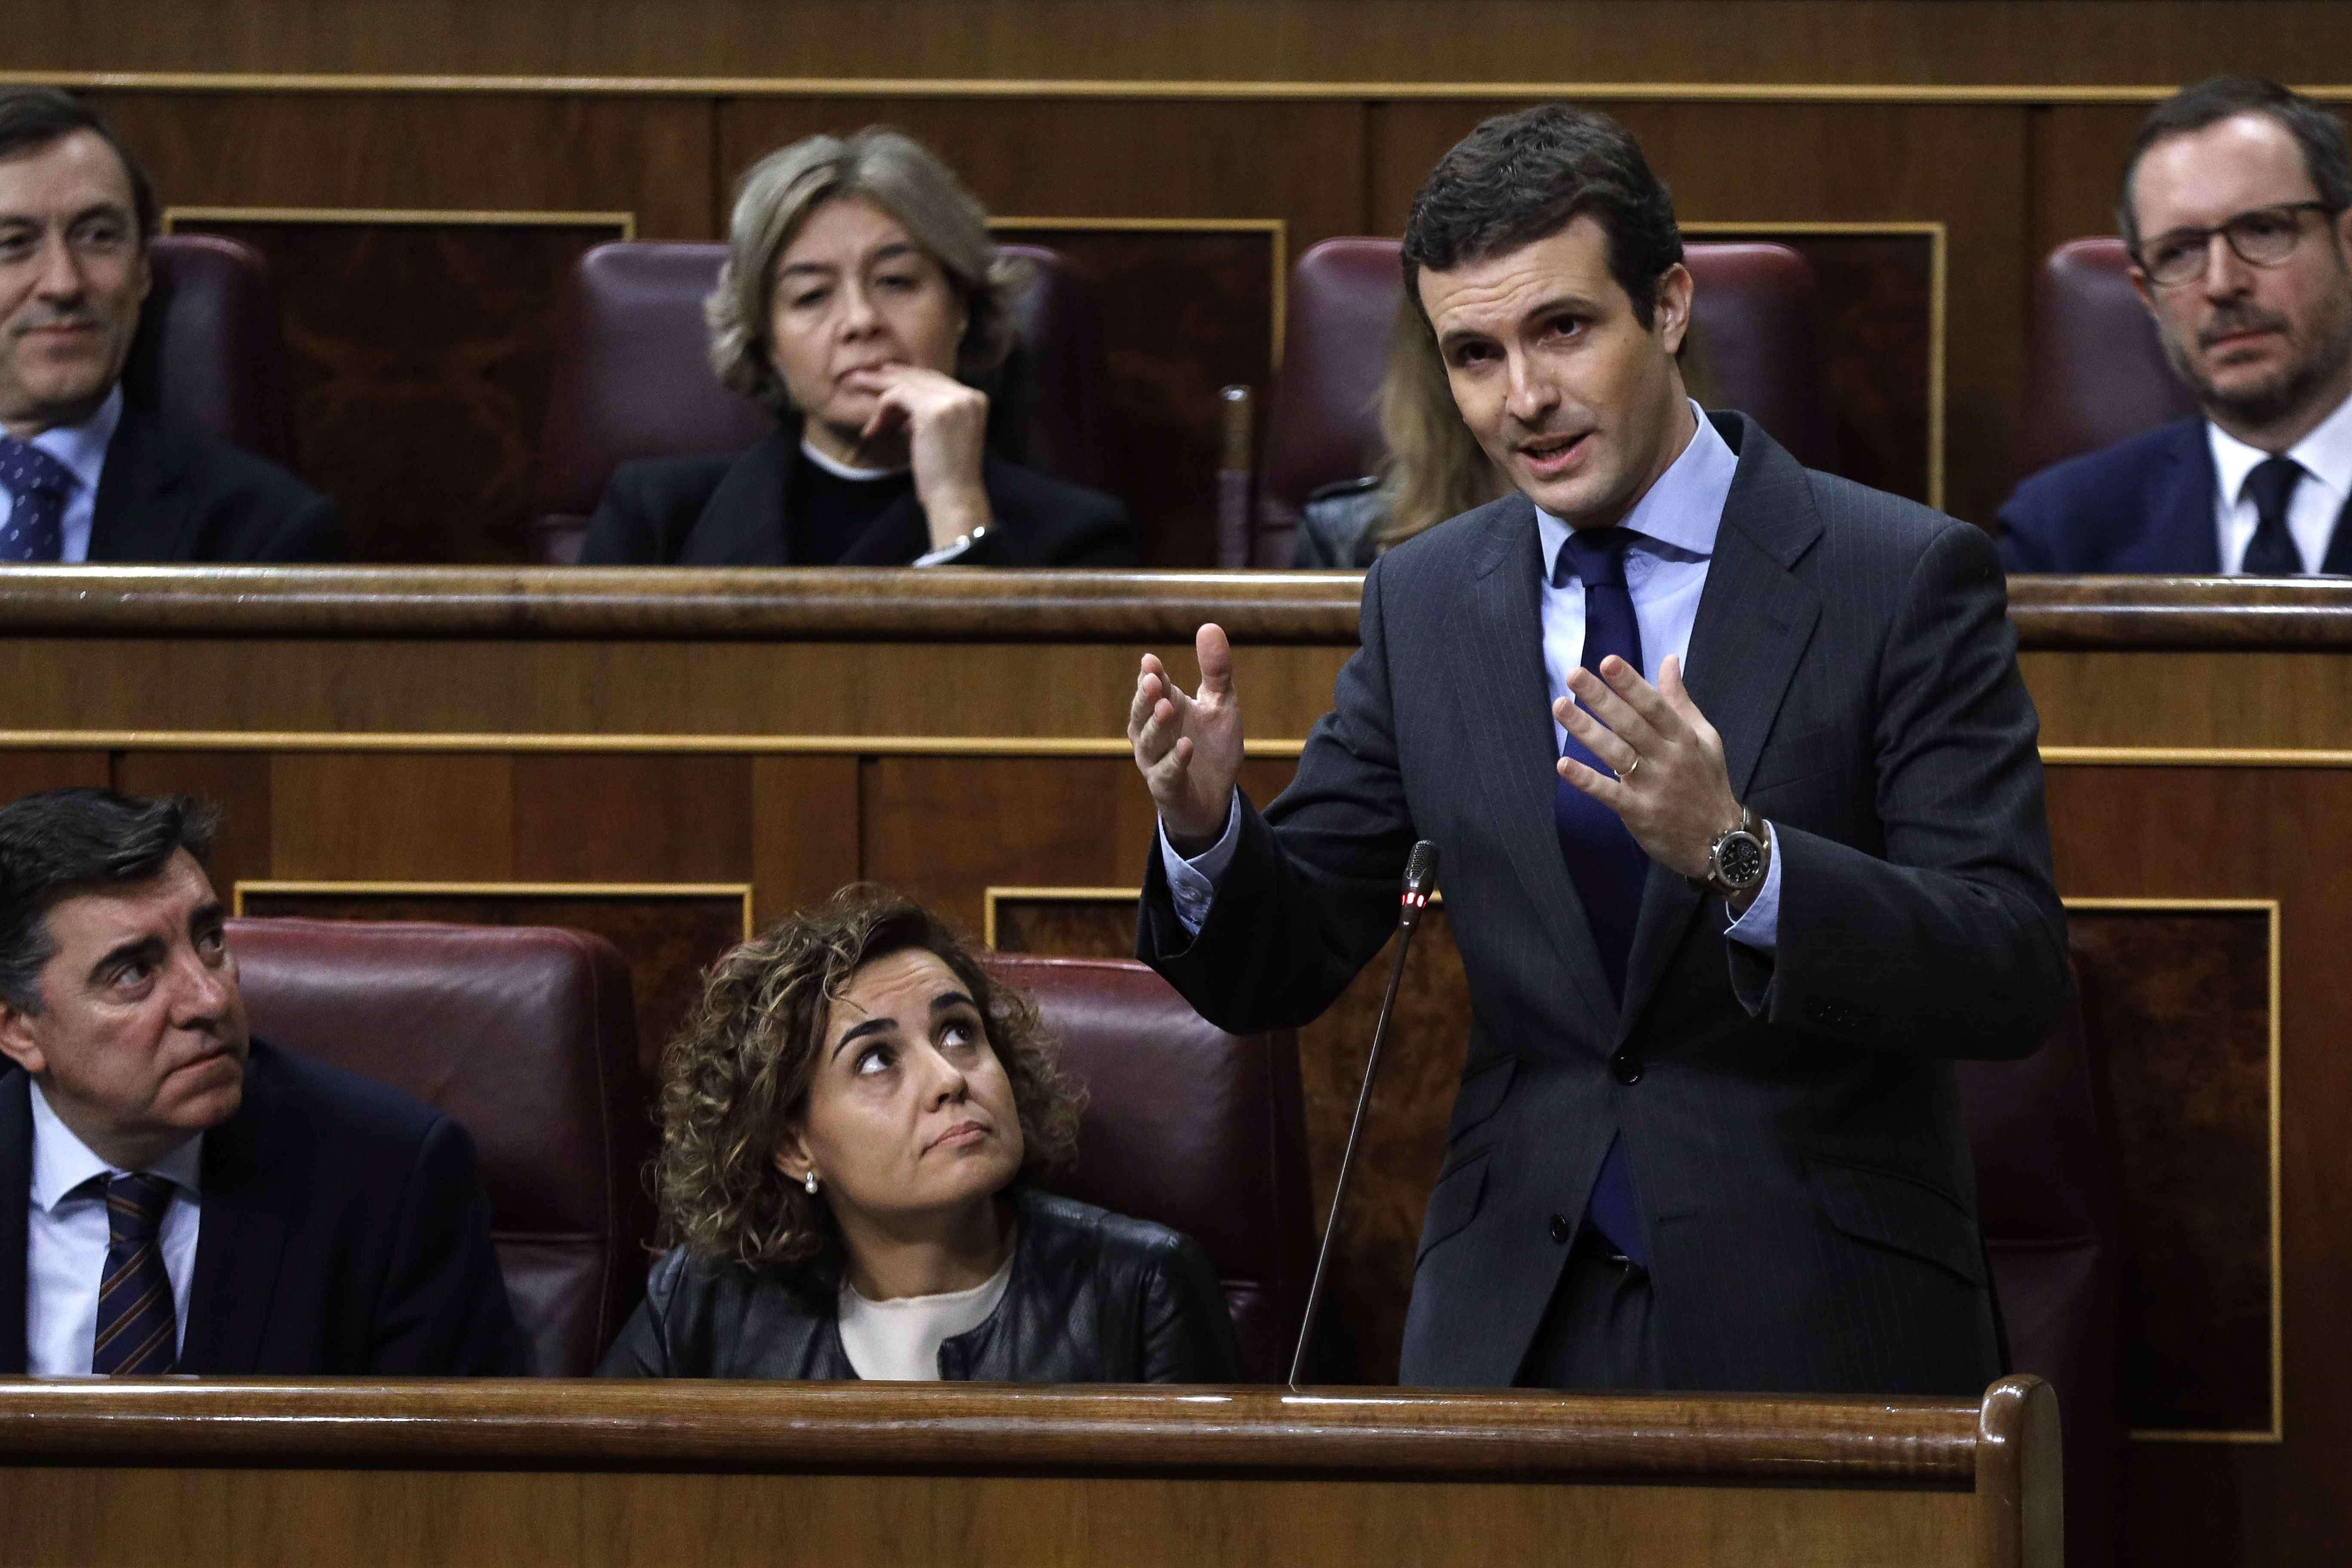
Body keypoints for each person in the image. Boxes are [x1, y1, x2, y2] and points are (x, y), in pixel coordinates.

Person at [1127, 105, 2067, 1395]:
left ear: (1669, 307)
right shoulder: (1428, 599)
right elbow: (1280, 965)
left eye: (1563, 328)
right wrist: (1205, 830)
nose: (1523, 399)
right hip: (1515, 1318)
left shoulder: (1898, 575)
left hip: (1820, 1309)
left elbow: (2007, 966)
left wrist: (1743, 857)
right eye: (1474, 354)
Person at [598, 889, 1240, 1381]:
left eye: (959, 1032)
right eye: (877, 1059)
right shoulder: (702, 1304)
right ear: (794, 1146)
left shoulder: (1141, 1293)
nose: (949, 1079)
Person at [0, 788, 524, 1374]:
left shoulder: (390, 1181)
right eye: (134, 973)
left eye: (211, 940)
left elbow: (461, 1460)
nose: (210, 997)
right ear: (18, 1028)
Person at [582, 128, 1136, 568]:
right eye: (811, 295)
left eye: (896, 282)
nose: (860, 321)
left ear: (961, 308)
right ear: (766, 339)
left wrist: (955, 500)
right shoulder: (652, 519)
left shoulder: (1078, 536)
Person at [2000, 78, 2352, 574]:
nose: (2222, 284)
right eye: (2179, 252)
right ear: (2148, 297)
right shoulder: (2058, 533)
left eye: (2264, 230)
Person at [0, 89, 340, 565]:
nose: (63, 284)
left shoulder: (268, 534)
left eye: (99, 236)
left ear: (142, 269)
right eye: (13, 243)